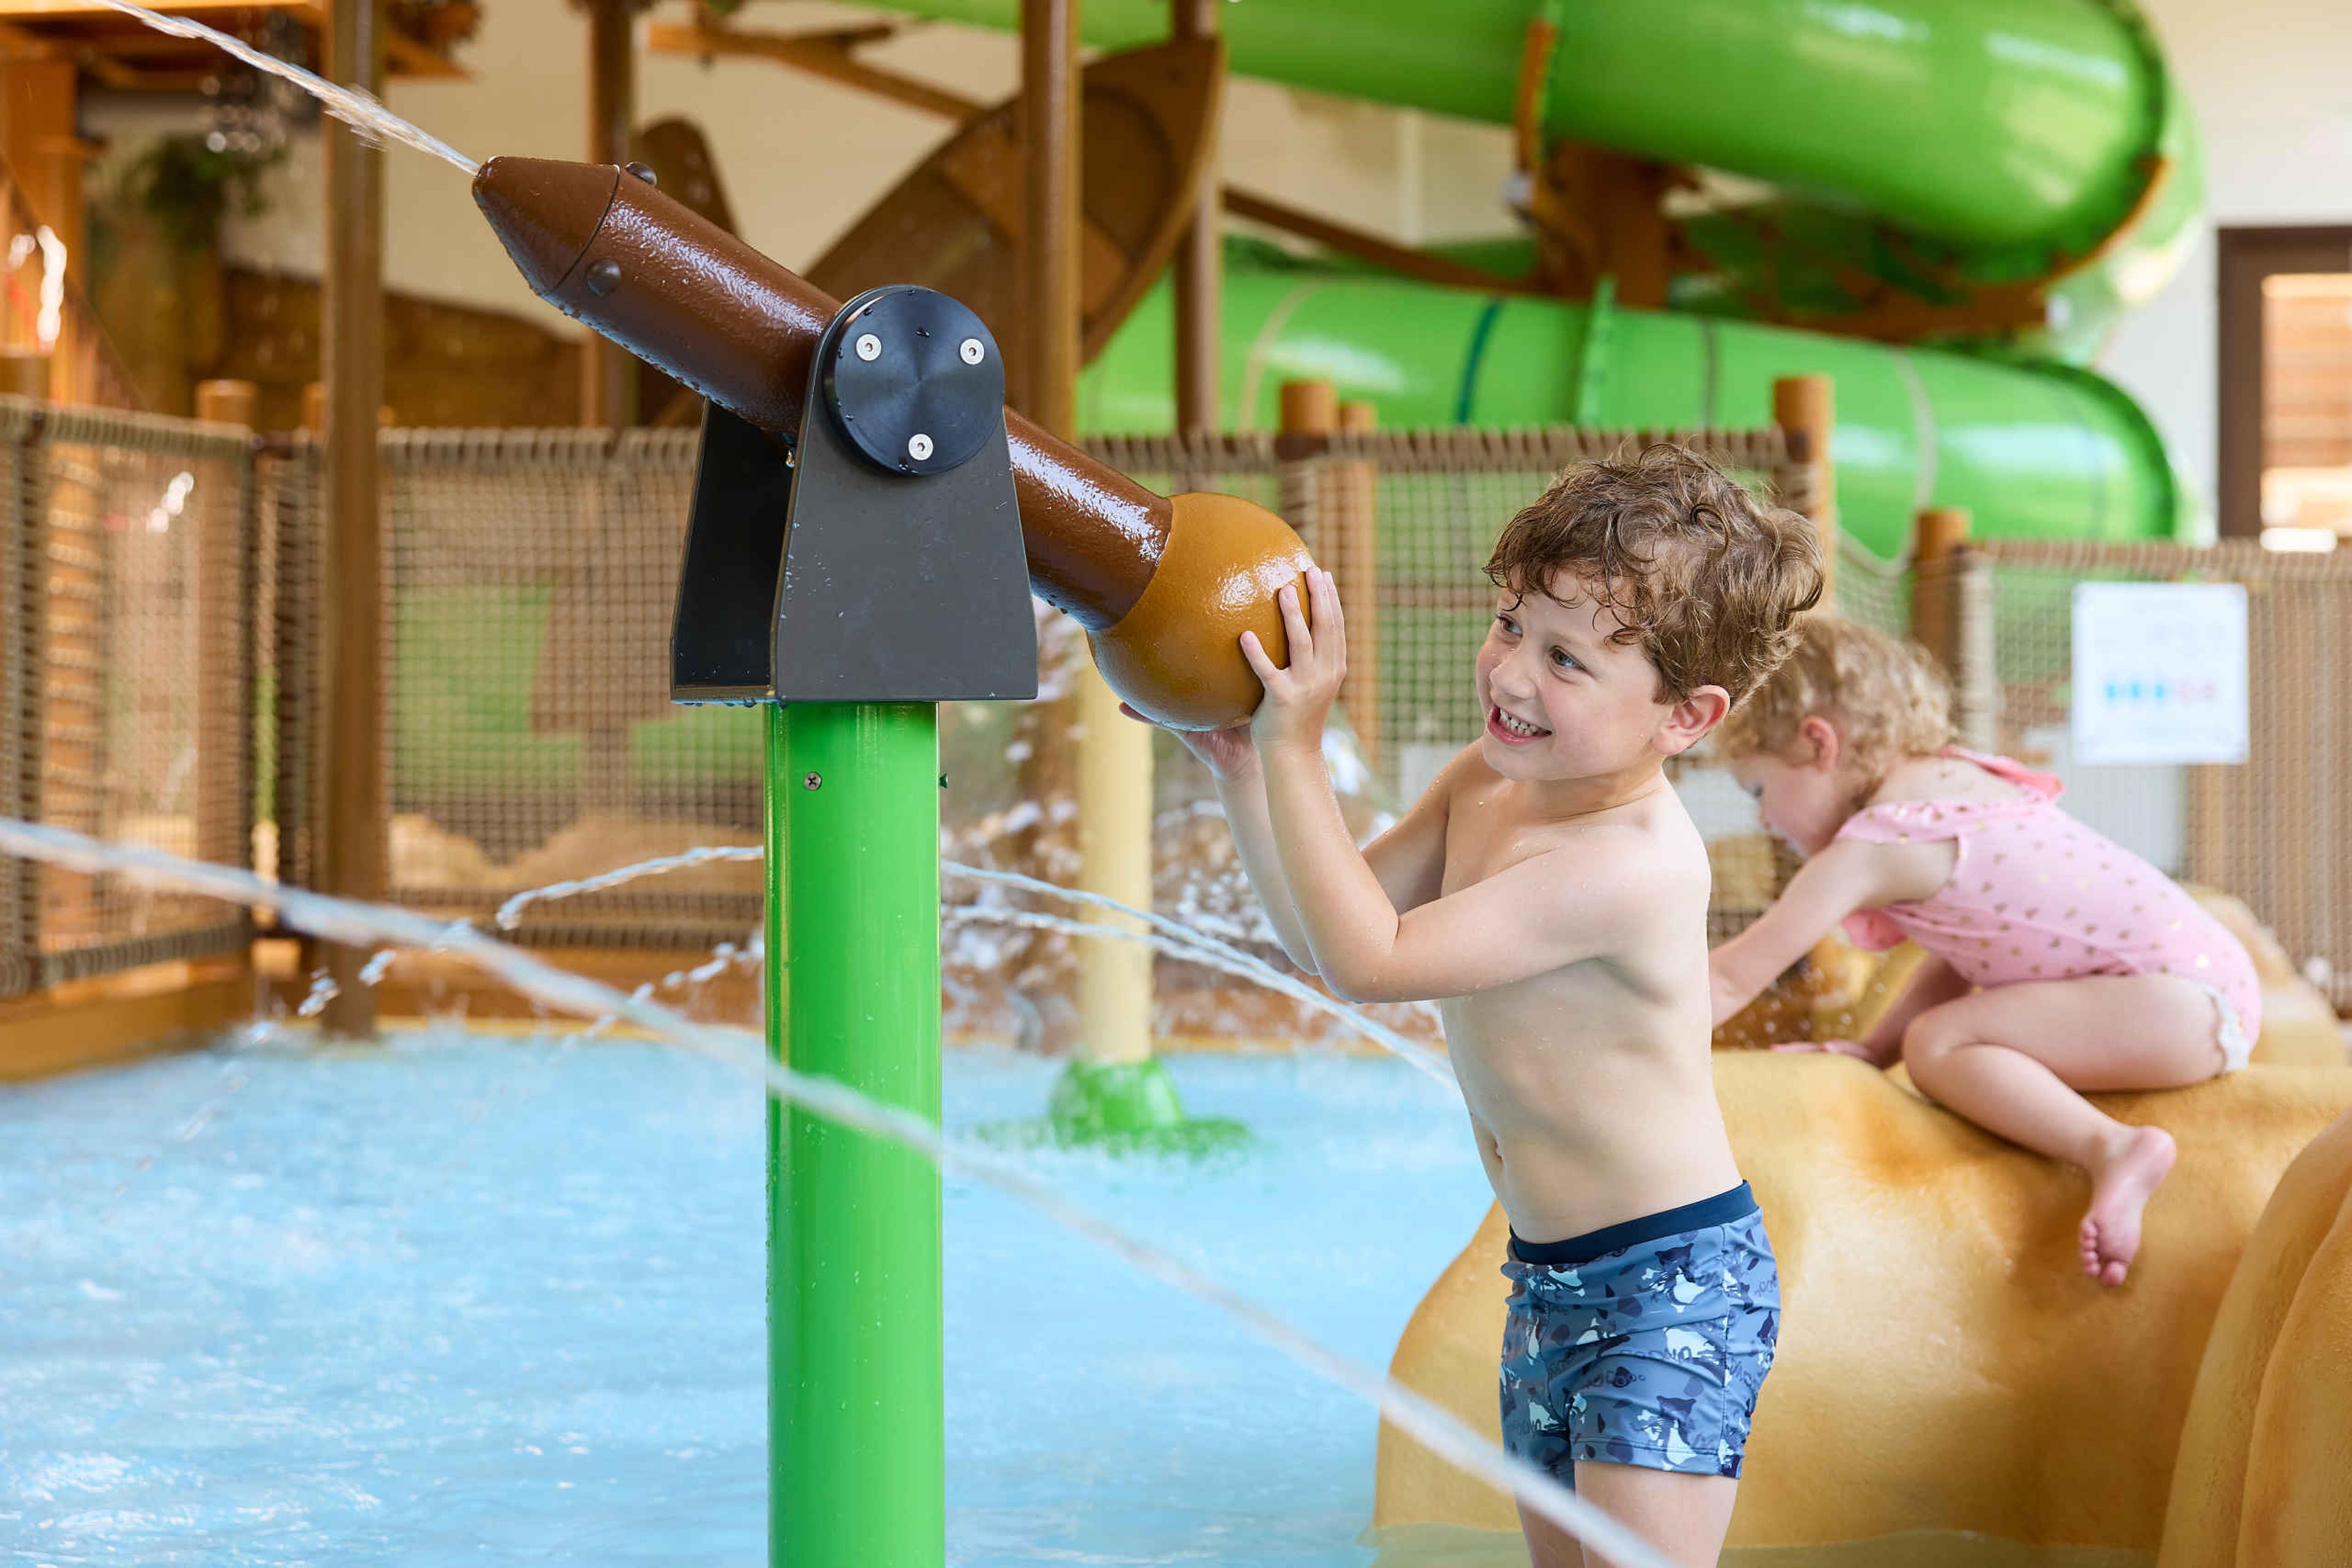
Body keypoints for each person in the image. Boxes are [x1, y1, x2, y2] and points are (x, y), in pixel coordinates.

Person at [1132, 447, 1822, 1567]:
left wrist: (1299, 744)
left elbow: (1373, 956)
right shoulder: (1485, 783)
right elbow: (1328, 933)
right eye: (1510, 624)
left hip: (1673, 1285)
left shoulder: (1630, 863)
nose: (1510, 675)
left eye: (1567, 660)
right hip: (1547, 1277)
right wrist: (1250, 777)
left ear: (1685, 716)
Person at [1708, 617, 2261, 1289]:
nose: (1764, 820)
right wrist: (1870, 1050)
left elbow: (1733, 975)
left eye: (1759, 791)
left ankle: (2113, 1148)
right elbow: (1973, 953)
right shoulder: (1955, 783)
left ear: (1817, 742)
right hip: (2207, 984)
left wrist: (1632, 1043)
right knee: (1927, 1032)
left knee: (1937, 1044)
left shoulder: (1874, 848)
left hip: (2175, 1005)